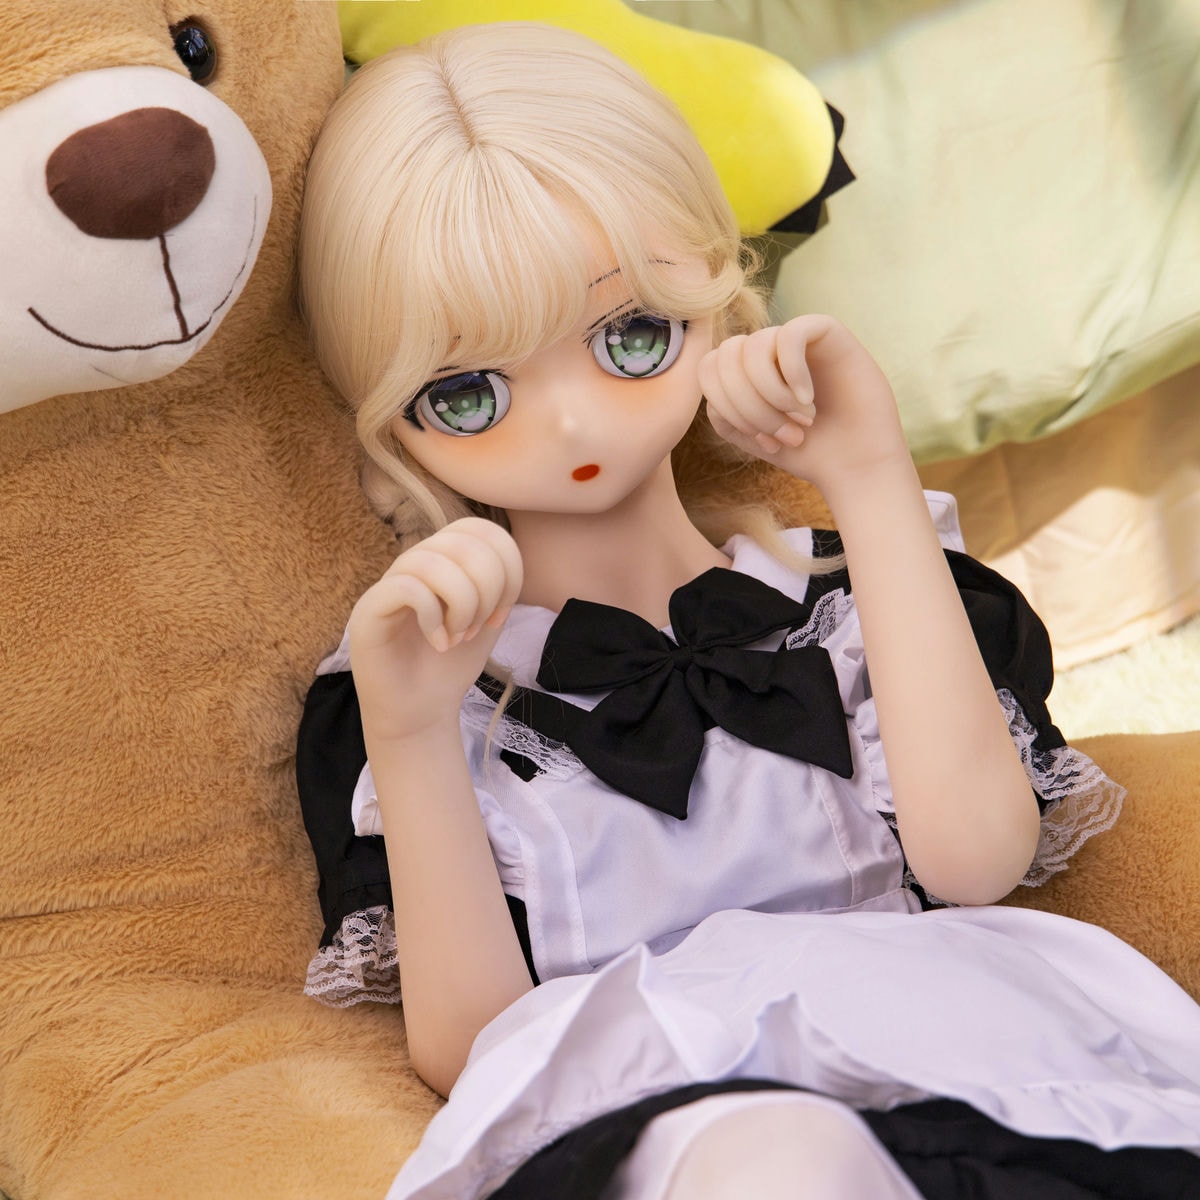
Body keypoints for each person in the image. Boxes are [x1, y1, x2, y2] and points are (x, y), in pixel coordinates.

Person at [296, 22, 1200, 1200]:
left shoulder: (844, 596)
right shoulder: (430, 686)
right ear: (384, 412)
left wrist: (869, 475)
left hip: (951, 1049)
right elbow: (477, 1053)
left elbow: (979, 859)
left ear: (715, 296)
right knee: (780, 1166)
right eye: (468, 392)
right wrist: (412, 733)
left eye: (629, 336)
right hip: (656, 1118)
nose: (570, 422)